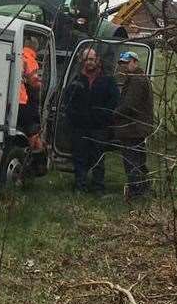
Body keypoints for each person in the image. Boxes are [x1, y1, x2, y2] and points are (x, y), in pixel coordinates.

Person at [63, 48, 118, 193]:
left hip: (99, 127)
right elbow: (67, 101)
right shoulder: (76, 79)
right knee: (79, 157)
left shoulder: (107, 79)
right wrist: (74, 117)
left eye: (92, 59)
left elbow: (114, 101)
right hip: (80, 127)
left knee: (98, 158)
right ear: (83, 61)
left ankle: (98, 187)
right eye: (87, 59)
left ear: (98, 60)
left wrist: (104, 117)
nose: (89, 62)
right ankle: (80, 186)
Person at [113, 51, 154, 199]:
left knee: (132, 161)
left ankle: (136, 192)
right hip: (138, 128)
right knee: (138, 159)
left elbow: (129, 105)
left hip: (133, 128)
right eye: (122, 64)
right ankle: (143, 189)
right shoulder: (138, 78)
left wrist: (113, 113)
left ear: (135, 62)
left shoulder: (136, 80)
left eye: (127, 63)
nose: (124, 67)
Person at [16, 37, 44, 148]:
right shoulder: (30, 59)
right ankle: (34, 153)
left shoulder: (19, 54)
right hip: (22, 100)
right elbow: (34, 81)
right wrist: (42, 85)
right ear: (35, 47)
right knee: (32, 127)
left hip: (14, 99)